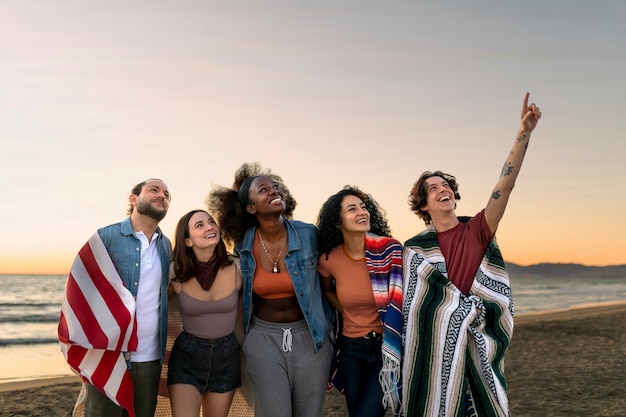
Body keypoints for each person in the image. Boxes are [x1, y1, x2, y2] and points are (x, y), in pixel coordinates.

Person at [401, 93, 542, 417]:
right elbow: (412, 307)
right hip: (435, 348)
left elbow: (505, 186)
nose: (441, 189)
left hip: (477, 339)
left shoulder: (477, 229)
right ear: (423, 204)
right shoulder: (415, 249)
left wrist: (524, 133)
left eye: (444, 184)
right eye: (432, 188)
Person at [206, 162, 333, 417]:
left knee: (309, 412)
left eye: (276, 187)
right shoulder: (243, 244)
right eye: (263, 189)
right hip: (263, 340)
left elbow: (334, 271)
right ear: (250, 208)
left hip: (310, 338)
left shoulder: (309, 235)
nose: (274, 191)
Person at [58, 178, 172, 417]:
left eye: (166, 194)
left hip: (150, 358)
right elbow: (79, 289)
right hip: (109, 355)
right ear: (133, 199)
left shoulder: (166, 246)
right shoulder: (106, 237)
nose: (162, 195)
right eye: (154, 190)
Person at [316, 186, 403, 417]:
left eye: (363, 207)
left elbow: (404, 297)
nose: (361, 212)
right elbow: (325, 289)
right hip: (351, 349)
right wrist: (344, 309)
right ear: (337, 221)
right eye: (352, 209)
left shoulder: (390, 250)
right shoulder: (329, 259)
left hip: (386, 349)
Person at [167, 209, 243, 417]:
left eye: (211, 222)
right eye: (199, 225)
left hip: (227, 356)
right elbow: (153, 308)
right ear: (188, 241)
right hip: (187, 355)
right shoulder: (175, 273)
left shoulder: (238, 268)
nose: (210, 226)